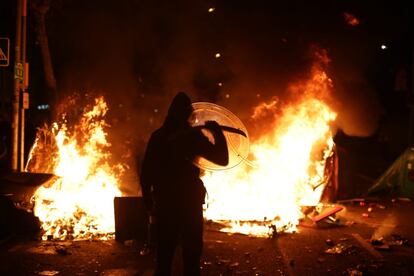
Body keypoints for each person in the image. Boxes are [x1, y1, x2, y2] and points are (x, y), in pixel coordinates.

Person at [140, 92, 229, 276]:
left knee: (164, 256)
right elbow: (222, 159)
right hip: (188, 204)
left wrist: (149, 201)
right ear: (188, 114)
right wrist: (217, 133)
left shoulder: (158, 136)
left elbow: (146, 171)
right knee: (191, 257)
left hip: (165, 202)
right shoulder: (192, 137)